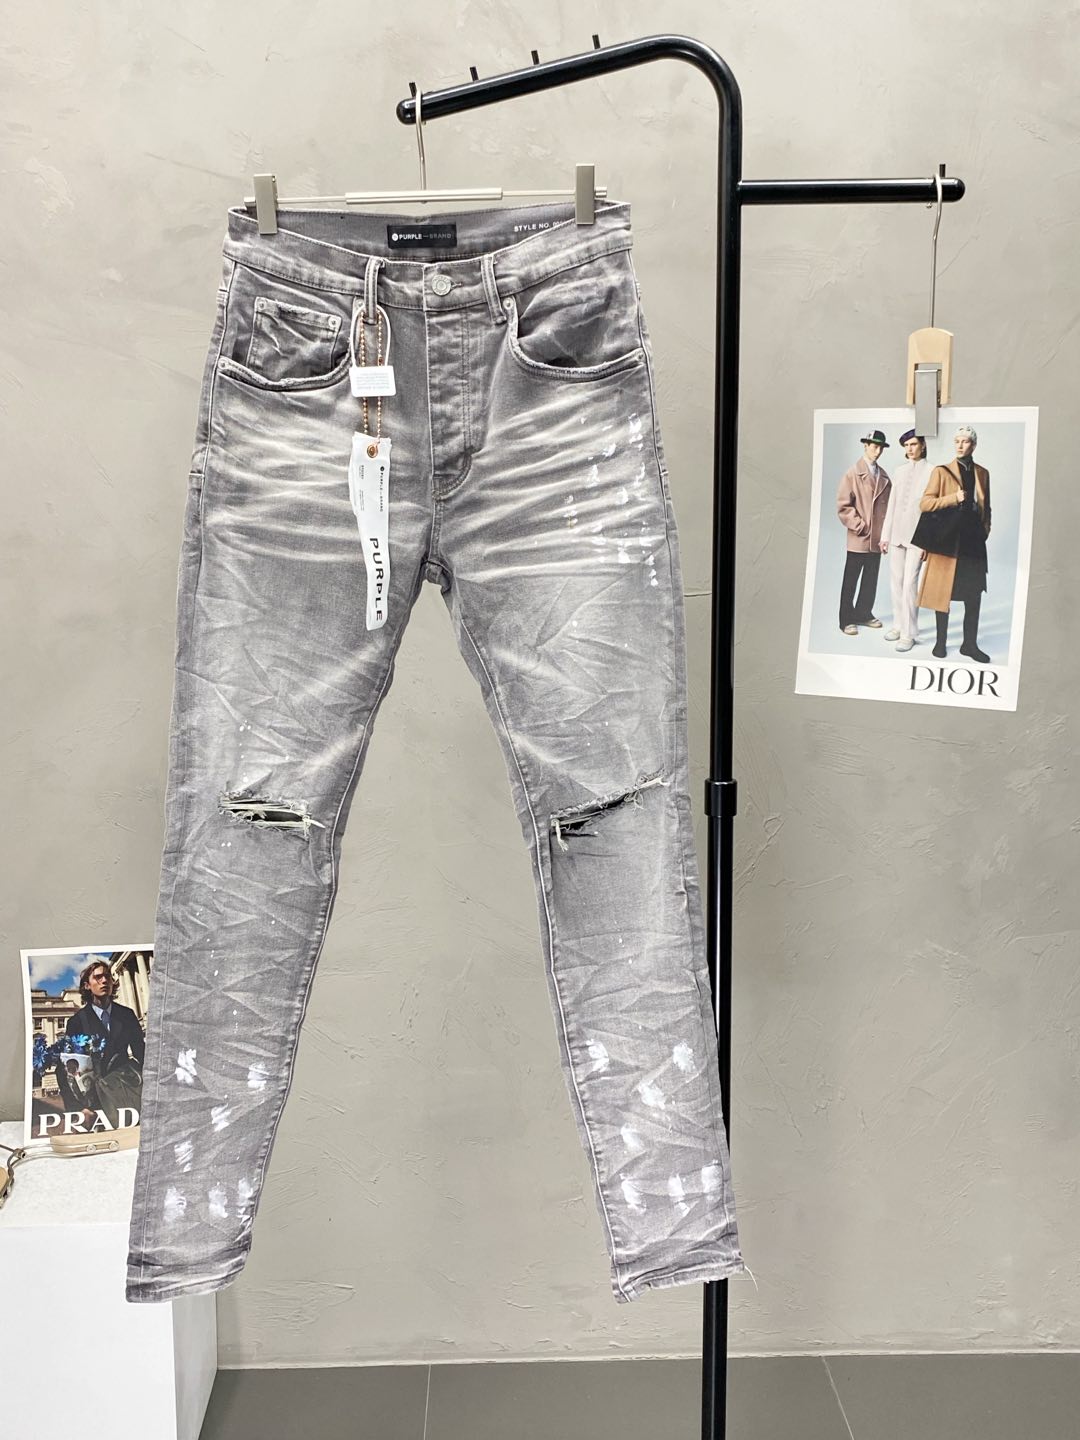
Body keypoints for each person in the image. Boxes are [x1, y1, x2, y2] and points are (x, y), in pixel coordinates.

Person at [917, 425, 992, 662]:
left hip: (973, 542)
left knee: (974, 595)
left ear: (974, 445)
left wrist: (984, 531)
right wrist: (953, 498)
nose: (960, 445)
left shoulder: (983, 473)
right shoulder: (941, 472)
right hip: (947, 541)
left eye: (965, 441)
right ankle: (940, 643)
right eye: (957, 441)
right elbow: (925, 504)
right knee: (944, 593)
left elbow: (986, 508)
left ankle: (969, 645)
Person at [836, 428, 891, 635]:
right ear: (866, 446)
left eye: (881, 448)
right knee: (850, 580)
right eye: (874, 446)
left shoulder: (884, 476)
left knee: (870, 579)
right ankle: (845, 619)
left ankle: (864, 613)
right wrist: (860, 526)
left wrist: (885, 535)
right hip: (859, 537)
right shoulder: (852, 473)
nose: (878, 451)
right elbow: (843, 506)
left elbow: (889, 508)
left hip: (877, 539)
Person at [880, 429, 930, 652]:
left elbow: (933, 512)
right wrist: (885, 536)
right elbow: (892, 504)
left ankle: (909, 633)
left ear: (923, 445)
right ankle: (898, 625)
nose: (910, 449)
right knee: (896, 582)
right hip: (897, 534)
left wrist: (928, 542)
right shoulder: (899, 471)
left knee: (910, 584)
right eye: (906, 445)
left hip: (918, 537)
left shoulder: (932, 471)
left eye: (913, 444)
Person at [66, 958, 146, 1071]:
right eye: (98, 977)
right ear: (87, 985)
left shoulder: (127, 1015)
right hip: (95, 1080)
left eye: (107, 976)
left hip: (125, 1079)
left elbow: (141, 1053)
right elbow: (70, 1065)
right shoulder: (76, 1022)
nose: (104, 980)